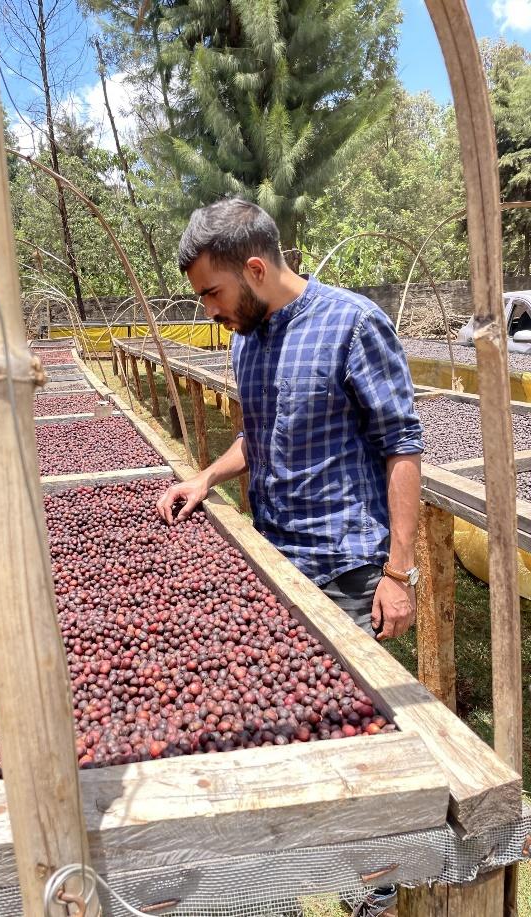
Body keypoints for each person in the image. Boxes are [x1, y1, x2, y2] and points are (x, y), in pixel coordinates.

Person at [156, 198, 423, 643]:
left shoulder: (353, 324)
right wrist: (206, 478)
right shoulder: (246, 338)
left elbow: (402, 445)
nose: (208, 311)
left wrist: (398, 573)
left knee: (343, 707)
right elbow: (260, 434)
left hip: (344, 571)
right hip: (271, 555)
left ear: (256, 270)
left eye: (212, 292)